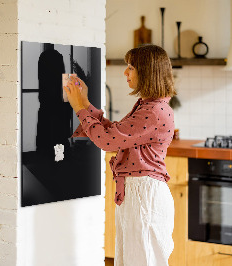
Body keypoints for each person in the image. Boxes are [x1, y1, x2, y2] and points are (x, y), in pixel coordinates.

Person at [63, 44, 176, 266]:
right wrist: (85, 103)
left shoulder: (153, 111)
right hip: (138, 193)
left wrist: (79, 108)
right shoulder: (149, 106)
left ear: (147, 71)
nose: (125, 72)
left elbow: (107, 141)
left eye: (131, 67)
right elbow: (115, 133)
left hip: (144, 195)